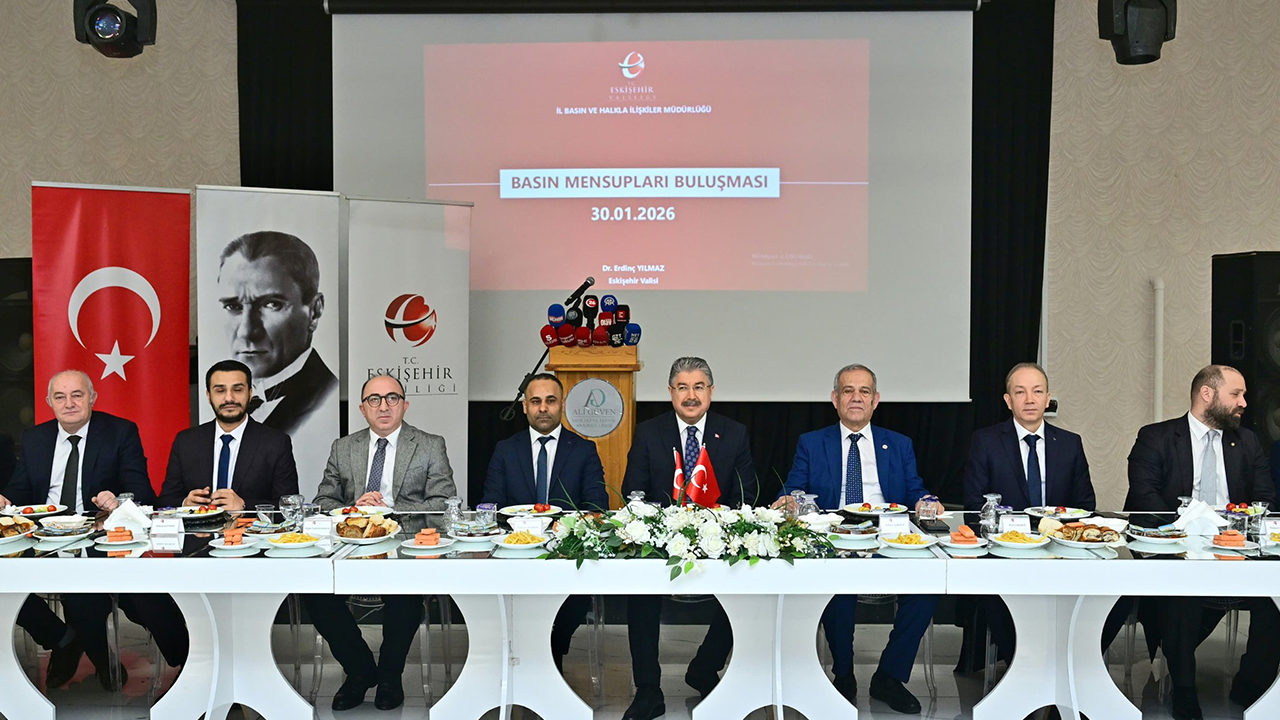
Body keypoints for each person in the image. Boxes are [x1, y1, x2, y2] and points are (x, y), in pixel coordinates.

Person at [0, 370, 186, 688]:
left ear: (92, 398)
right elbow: (20, 492)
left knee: (90, 591)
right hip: (45, 539)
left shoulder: (119, 432)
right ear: (49, 402)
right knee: (6, 582)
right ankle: (61, 638)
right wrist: (5, 500)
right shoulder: (35, 438)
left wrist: (118, 500)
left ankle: (107, 659)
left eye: (77, 395)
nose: (69, 403)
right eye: (60, 397)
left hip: (102, 539)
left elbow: (142, 491)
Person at [778, 363, 941, 714]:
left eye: (864, 391)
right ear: (835, 399)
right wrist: (788, 499)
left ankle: (889, 677)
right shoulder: (812, 443)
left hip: (889, 539)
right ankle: (844, 674)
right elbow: (794, 487)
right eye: (848, 391)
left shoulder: (899, 444)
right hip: (836, 539)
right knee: (838, 582)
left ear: (875, 400)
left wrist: (926, 501)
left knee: (926, 588)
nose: (856, 398)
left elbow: (915, 490)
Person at [1125, 365, 1278, 720]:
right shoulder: (1157, 437)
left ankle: (1251, 685)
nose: (1244, 403)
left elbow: (1265, 499)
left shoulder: (1247, 442)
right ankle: (1184, 690)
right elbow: (1144, 497)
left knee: (1275, 594)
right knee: (1183, 589)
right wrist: (1188, 532)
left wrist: (1233, 531)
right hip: (1177, 549)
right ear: (1207, 394)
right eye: (1236, 394)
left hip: (1235, 551)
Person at [307, 374, 457, 711]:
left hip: (405, 546)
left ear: (405, 405)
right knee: (315, 593)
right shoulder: (344, 447)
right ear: (363, 409)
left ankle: (390, 675)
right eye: (374, 399)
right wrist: (354, 507)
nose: (384, 406)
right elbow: (323, 501)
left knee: (405, 592)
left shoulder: (430, 445)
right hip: (351, 548)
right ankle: (360, 671)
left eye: (392, 398)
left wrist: (390, 509)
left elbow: (443, 504)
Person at [619, 357, 756, 720]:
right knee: (640, 585)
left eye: (698, 387)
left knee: (749, 582)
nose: (691, 395)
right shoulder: (649, 432)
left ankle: (705, 667)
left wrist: (719, 525)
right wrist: (663, 525)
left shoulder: (734, 432)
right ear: (670, 392)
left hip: (719, 536)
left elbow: (746, 496)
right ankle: (648, 689)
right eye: (682, 387)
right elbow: (633, 492)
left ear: (711, 391)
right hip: (662, 539)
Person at [963, 363, 1116, 665]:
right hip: (1008, 552)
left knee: (1112, 593)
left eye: (1037, 391)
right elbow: (974, 505)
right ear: (1008, 401)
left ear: (1048, 399)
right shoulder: (986, 441)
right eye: (1020, 392)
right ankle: (1024, 666)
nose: (1029, 399)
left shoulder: (1070, 443)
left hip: (1062, 551)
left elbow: (1085, 504)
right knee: (997, 598)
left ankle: (1074, 659)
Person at [482, 372, 608, 672]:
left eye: (550, 401)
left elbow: (597, 506)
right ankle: (534, 656)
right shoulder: (506, 449)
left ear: (562, 405)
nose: (543, 408)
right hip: (516, 551)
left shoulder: (583, 450)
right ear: (524, 406)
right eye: (535, 401)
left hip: (566, 553)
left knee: (577, 595)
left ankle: (550, 650)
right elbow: (491, 504)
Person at [216, 230, 338, 488]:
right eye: (233, 307)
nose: (247, 331)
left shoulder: (329, 401)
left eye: (271, 304)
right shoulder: (210, 422)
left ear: (314, 312)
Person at [158, 360, 300, 510]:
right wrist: (185, 504)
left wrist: (244, 505)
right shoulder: (186, 442)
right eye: (220, 391)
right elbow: (165, 501)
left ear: (250, 393)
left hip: (249, 526)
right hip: (198, 526)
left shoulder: (276, 443)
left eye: (237, 390)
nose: (229, 398)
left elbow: (289, 505)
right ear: (208, 396)